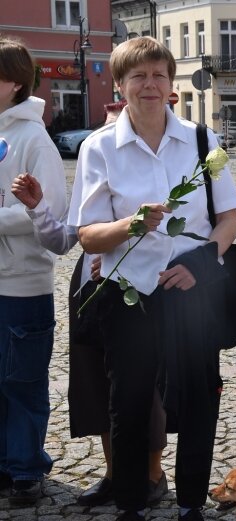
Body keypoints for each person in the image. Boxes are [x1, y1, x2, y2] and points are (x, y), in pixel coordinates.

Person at [68, 37, 236, 521]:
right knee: (129, 404)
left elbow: (228, 219)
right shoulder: (99, 148)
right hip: (129, 296)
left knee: (201, 402)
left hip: (191, 292)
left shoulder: (203, 141)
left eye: (159, 75)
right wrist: (131, 224)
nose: (150, 85)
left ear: (171, 84)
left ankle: (189, 504)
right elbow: (87, 236)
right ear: (120, 85)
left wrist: (202, 265)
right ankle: (131, 504)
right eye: (138, 76)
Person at [14, 99, 169, 508]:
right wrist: (37, 209)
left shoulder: (155, 165)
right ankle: (116, 473)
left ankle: (152, 476)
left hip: (135, 289)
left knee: (140, 388)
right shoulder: (94, 167)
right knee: (98, 384)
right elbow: (64, 239)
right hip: (90, 291)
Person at [0, 34, 67, 508]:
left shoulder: (32, 137)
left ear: (14, 83)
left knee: (21, 382)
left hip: (22, 284)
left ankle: (25, 469)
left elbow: (51, 214)